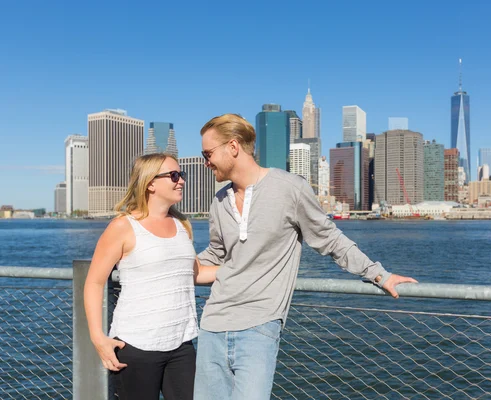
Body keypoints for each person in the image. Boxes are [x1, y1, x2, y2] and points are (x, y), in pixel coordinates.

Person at [193, 114, 418, 400]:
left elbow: (330, 239)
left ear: (233, 147)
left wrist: (379, 274)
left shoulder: (290, 189)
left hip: (259, 327)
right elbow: (216, 253)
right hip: (212, 325)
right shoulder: (219, 200)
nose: (205, 162)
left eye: (208, 154)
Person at [83, 153, 218, 400]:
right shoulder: (123, 226)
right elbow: (94, 282)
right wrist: (97, 338)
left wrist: (240, 268)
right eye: (174, 176)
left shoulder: (182, 226)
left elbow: (194, 274)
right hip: (135, 346)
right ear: (150, 183)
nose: (181, 181)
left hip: (181, 344)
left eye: (182, 175)